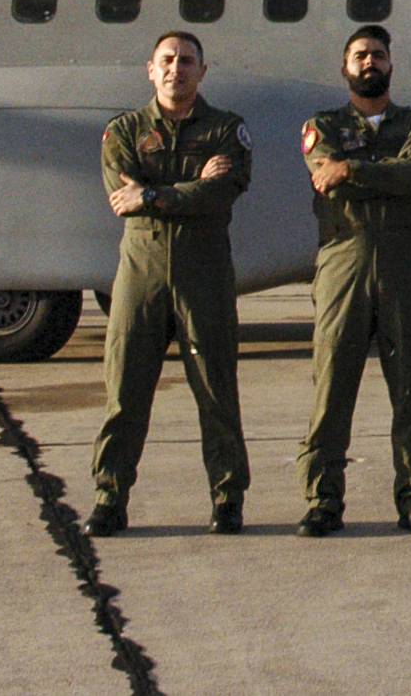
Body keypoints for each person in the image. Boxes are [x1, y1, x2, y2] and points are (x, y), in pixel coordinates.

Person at [85, 30, 252, 537]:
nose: (176, 69)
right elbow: (122, 196)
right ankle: (110, 498)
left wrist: (153, 195)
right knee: (125, 391)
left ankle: (227, 500)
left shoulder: (226, 129)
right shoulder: (125, 131)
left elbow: (223, 190)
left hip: (205, 274)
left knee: (216, 391)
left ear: (203, 71)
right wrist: (189, 187)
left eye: (187, 61)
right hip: (142, 274)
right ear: (150, 70)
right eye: (168, 60)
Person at [295, 25, 411, 535]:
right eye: (360, 55)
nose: (369, 63)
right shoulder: (323, 124)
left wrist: (352, 170)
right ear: (345, 67)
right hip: (344, 263)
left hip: (403, 266)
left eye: (378, 55)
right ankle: (323, 501)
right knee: (332, 390)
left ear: (390, 65)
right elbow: (322, 172)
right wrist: (374, 169)